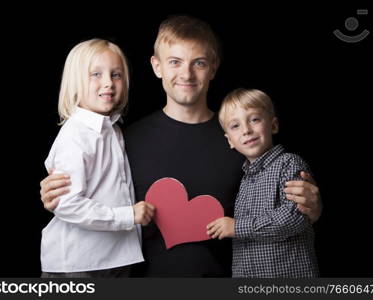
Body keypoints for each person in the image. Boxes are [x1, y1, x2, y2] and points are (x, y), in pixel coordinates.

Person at [40, 16, 322, 277]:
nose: (186, 74)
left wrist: (312, 210)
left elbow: (281, 206)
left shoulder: (241, 138)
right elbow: (87, 192)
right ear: (156, 66)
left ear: (213, 67)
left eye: (198, 62)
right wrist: (56, 194)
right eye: (175, 61)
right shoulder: (123, 139)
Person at [40, 38, 155, 278]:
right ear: (76, 81)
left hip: (115, 259)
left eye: (116, 75)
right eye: (96, 74)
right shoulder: (75, 135)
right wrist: (128, 215)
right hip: (79, 265)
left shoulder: (114, 129)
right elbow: (67, 203)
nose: (108, 84)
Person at [207, 88, 318, 277]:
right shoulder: (244, 181)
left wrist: (237, 227)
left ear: (273, 126)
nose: (246, 130)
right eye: (235, 126)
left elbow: (294, 218)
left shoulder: (289, 163)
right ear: (230, 141)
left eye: (254, 119)